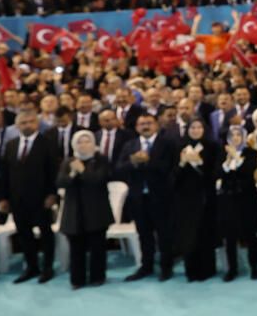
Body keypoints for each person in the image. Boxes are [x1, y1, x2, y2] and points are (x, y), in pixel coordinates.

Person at [0, 109, 60, 283]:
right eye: (23, 123)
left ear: (37, 124)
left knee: (45, 233)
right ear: (17, 125)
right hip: (17, 199)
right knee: (24, 235)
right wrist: (3, 197)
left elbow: (53, 171)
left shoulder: (48, 143)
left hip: (42, 198)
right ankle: (31, 267)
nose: (27, 125)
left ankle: (47, 268)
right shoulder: (11, 145)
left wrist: (52, 194)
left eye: (30, 122)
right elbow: (5, 173)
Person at [117, 112, 178, 281]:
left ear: (156, 125)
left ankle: (166, 267)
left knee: (164, 233)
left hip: (161, 196)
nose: (145, 126)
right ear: (136, 127)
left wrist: (148, 161)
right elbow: (119, 168)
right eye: (142, 123)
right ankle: (146, 266)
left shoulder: (167, 144)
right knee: (144, 234)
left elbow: (169, 168)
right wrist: (133, 162)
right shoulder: (130, 145)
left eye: (149, 123)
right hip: (137, 197)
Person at [56, 130, 112, 290]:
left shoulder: (101, 160)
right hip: (74, 211)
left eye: (87, 141)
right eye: (80, 142)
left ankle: (98, 277)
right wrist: (73, 173)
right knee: (76, 247)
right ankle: (77, 279)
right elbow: (60, 182)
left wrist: (83, 170)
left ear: (93, 143)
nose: (84, 144)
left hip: (97, 210)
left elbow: (98, 180)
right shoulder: (69, 161)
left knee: (97, 247)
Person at [217, 125, 257, 281]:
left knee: (250, 235)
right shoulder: (223, 154)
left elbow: (247, 171)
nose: (235, 137)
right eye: (232, 135)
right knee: (230, 237)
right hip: (228, 201)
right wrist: (228, 159)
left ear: (243, 137)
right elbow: (218, 174)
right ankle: (232, 269)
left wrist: (235, 158)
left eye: (239, 134)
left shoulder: (251, 153)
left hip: (247, 199)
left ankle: (254, 267)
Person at [174, 118, 218, 282]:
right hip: (185, 200)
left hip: (205, 198)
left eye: (199, 127)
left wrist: (199, 162)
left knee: (205, 234)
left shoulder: (212, 147)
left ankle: (207, 270)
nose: (196, 130)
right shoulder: (179, 147)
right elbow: (172, 178)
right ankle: (191, 271)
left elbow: (214, 175)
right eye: (192, 127)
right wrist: (182, 163)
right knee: (188, 236)